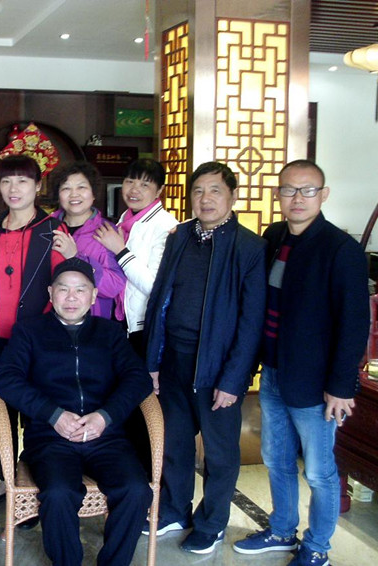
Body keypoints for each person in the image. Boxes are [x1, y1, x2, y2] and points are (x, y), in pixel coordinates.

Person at [233, 160, 370, 566]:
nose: (297, 198)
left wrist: (342, 386)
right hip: (274, 372)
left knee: (319, 471)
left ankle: (317, 546)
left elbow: (354, 324)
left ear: (323, 195)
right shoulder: (274, 236)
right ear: (278, 194)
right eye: (289, 190)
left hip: (316, 382)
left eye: (307, 190)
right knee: (276, 459)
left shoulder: (341, 249)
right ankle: (281, 530)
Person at [0, 257, 154, 566]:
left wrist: (105, 417)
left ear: (93, 296)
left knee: (135, 490)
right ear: (50, 293)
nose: (71, 297)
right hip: (50, 438)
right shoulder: (29, 331)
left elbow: (138, 379)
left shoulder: (110, 333)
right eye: (63, 289)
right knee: (58, 493)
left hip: (105, 436)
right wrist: (54, 415)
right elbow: (4, 379)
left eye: (80, 290)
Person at [143, 161, 266, 554]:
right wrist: (153, 361)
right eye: (198, 191)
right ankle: (175, 510)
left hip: (217, 366)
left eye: (215, 190)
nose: (206, 198)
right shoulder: (180, 237)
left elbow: (251, 323)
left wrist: (234, 379)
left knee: (220, 453)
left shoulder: (249, 247)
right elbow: (160, 297)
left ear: (232, 196)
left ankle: (211, 523)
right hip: (174, 360)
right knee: (175, 444)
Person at [0, 154, 65, 512]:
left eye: (23, 181)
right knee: (0, 412)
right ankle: (7, 480)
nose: (14, 188)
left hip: (36, 340)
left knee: (38, 414)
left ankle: (36, 485)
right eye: (7, 180)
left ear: (38, 186)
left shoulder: (53, 231)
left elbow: (64, 288)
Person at [94, 158, 179, 355]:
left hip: (145, 324)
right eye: (130, 181)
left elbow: (154, 286)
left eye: (144, 185)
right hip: (121, 319)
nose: (134, 190)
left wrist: (120, 251)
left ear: (159, 190)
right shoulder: (125, 220)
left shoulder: (165, 226)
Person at [47, 160, 126, 318]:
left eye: (81, 187)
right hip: (48, 318)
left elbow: (113, 287)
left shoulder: (107, 232)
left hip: (91, 321)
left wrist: (75, 257)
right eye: (66, 188)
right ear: (58, 195)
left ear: (93, 193)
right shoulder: (46, 227)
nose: (74, 194)